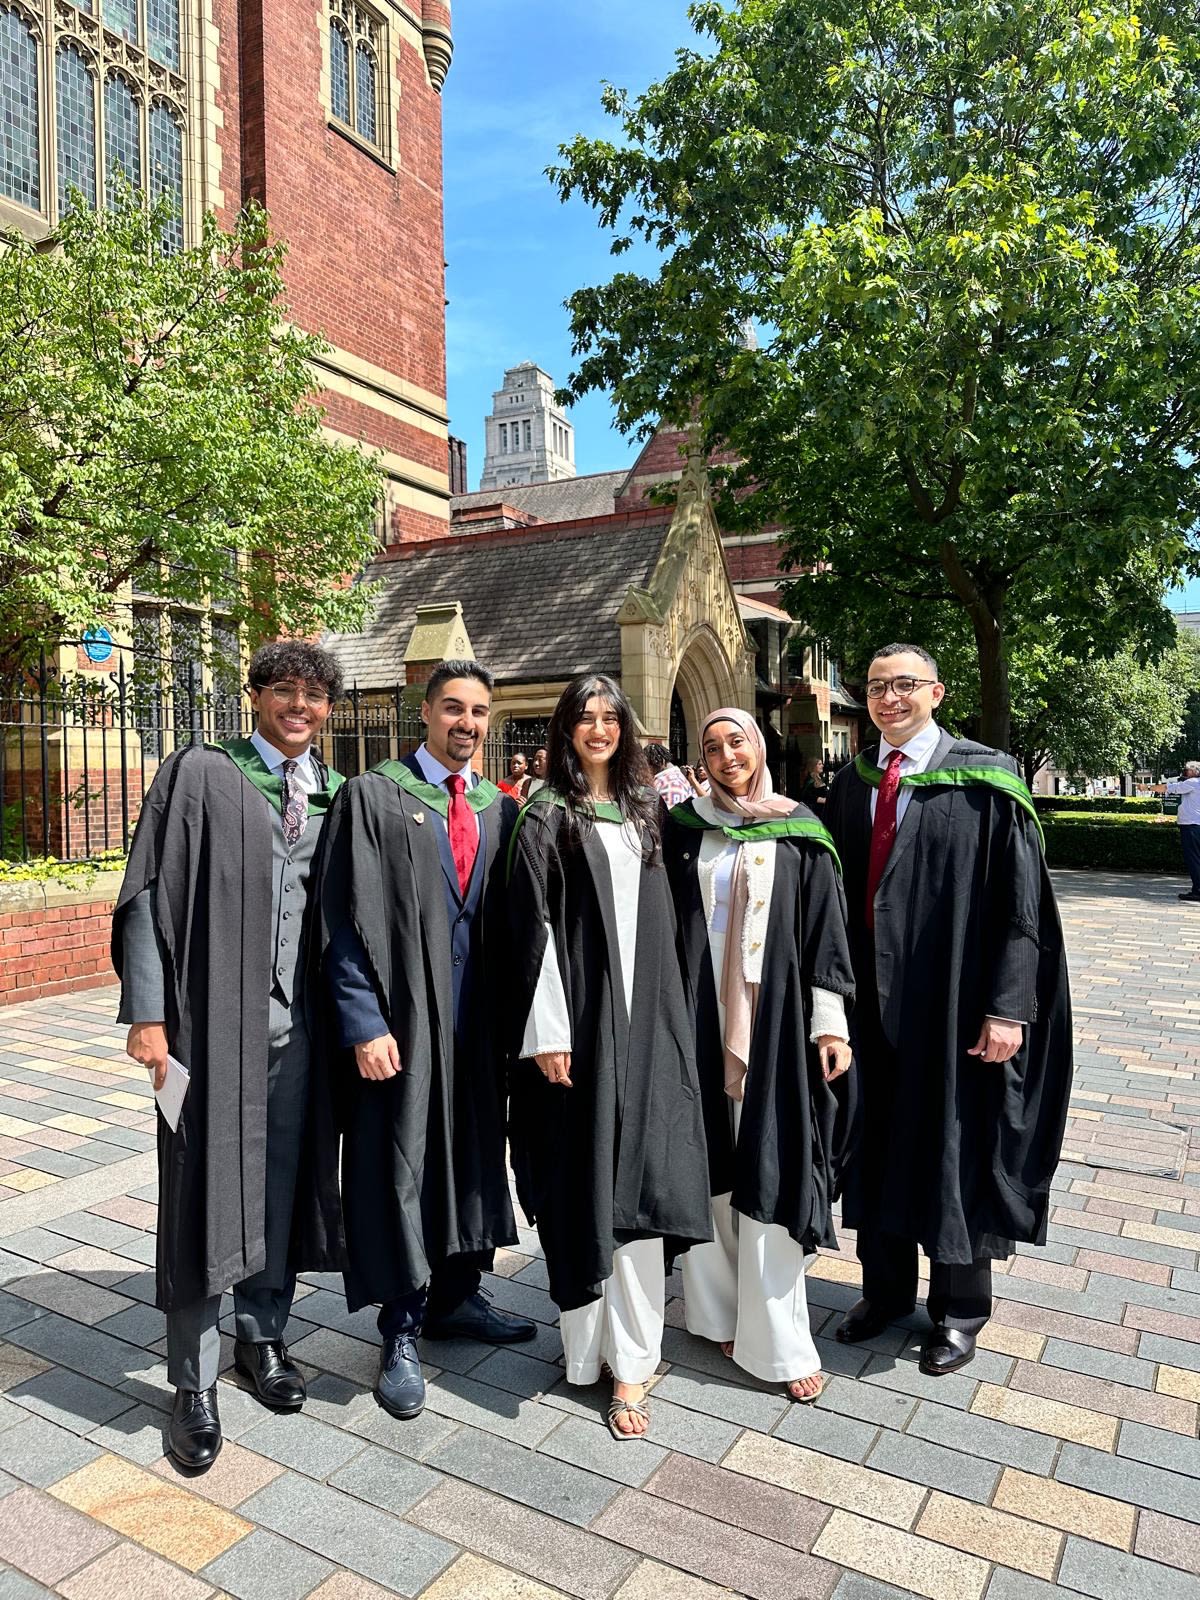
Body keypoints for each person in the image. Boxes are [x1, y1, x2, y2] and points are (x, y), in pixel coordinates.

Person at [113, 642, 346, 1470]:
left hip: (299, 1036)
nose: (299, 707)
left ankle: (263, 1337)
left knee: (279, 1190)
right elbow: (145, 900)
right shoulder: (200, 776)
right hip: (207, 1031)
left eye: (314, 697)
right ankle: (193, 1383)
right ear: (255, 697)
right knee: (198, 1195)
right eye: (284, 691)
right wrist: (148, 1016)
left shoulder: (335, 795)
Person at [825, 644, 1072, 1375]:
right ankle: (885, 1291)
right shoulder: (853, 782)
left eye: (904, 685)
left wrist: (1008, 1008)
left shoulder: (989, 780)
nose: (889, 698)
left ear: (936, 691)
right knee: (878, 1143)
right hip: (870, 1003)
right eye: (876, 687)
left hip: (956, 1003)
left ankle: (960, 1310)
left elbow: (1021, 906)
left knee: (955, 1146)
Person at [315, 660, 534, 1423]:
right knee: (399, 1162)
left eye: (479, 711)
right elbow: (340, 922)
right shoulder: (371, 797)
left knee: (473, 1157)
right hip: (401, 1022)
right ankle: (401, 1326)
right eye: (452, 709)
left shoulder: (499, 807)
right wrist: (362, 1022)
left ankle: (458, 1298)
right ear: (424, 713)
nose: (467, 724)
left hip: (477, 1025)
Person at [507, 673, 712, 1439]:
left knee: (643, 1186)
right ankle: (585, 1353)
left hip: (650, 1023)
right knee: (581, 1182)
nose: (598, 729)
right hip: (581, 1028)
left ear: (626, 728)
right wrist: (549, 1032)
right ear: (563, 731)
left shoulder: (649, 811)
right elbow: (534, 933)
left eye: (609, 718)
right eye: (583, 719)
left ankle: (634, 1362)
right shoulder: (547, 816)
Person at [663, 708, 855, 1403]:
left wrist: (828, 1023)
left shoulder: (799, 829)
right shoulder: (684, 831)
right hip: (695, 1021)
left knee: (772, 1167)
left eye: (735, 740)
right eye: (711, 746)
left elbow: (827, 931)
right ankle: (713, 1312)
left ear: (758, 747)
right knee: (709, 1163)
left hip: (772, 1024)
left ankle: (776, 1340)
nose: (724, 754)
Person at [1165, 761, 1200, 900]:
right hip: (1196, 824)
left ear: (1194, 771)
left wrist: (1148, 787)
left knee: (1193, 859)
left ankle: (1198, 890)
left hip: (1191, 825)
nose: (1184, 772)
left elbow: (1171, 788)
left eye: (1187, 770)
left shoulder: (1192, 782)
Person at [645, 741, 692, 810]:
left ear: (662, 762)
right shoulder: (676, 777)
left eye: (651, 764)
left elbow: (673, 814)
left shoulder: (670, 784)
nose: (648, 769)